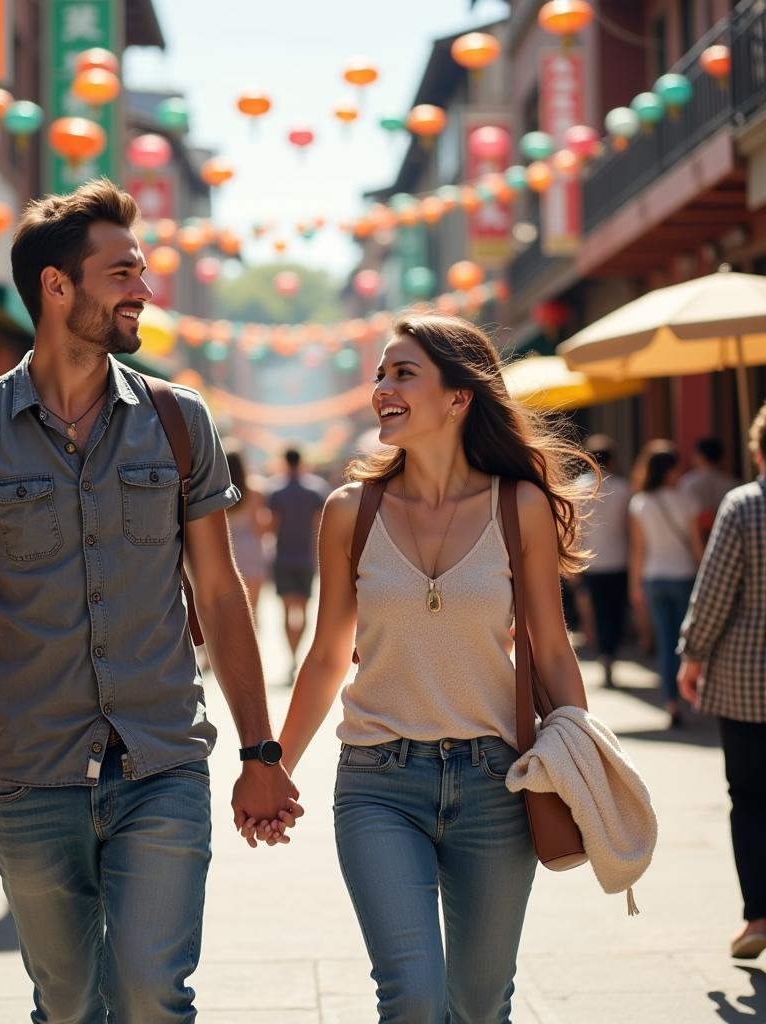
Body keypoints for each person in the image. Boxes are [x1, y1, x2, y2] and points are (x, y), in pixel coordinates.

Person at [0, 179, 301, 1023]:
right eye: (122, 272)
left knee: (154, 995)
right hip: (30, 773)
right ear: (58, 286)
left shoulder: (180, 420)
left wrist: (260, 753)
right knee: (70, 1002)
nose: (144, 291)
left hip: (162, 760)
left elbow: (222, 598)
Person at [270, 313, 593, 1022]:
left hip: (495, 784)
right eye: (381, 373)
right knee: (412, 997)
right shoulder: (349, 510)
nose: (382, 387)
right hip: (378, 784)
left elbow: (550, 647)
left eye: (402, 372)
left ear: (458, 397)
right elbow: (327, 655)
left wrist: (583, 759)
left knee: (480, 1005)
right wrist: (274, 762)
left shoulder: (522, 506)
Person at [677, 402, 766, 961]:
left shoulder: (744, 506)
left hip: (747, 683)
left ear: (759, 449)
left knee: (751, 800)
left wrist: (691, 656)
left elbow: (713, 596)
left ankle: (759, 915)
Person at [629, 440, 704, 727]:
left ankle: (671, 701)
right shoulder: (687, 500)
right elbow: (697, 546)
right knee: (688, 643)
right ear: (670, 469)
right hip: (684, 577)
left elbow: (638, 550)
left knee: (664, 642)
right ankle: (694, 696)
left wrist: (634, 585)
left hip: (653, 578)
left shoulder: (640, 502)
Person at [267, 448, 328, 679]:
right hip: (305, 558)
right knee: (302, 610)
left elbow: (271, 525)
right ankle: (297, 656)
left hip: (283, 557)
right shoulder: (316, 489)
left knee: (285, 611)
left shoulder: (276, 490)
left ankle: (292, 657)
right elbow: (321, 526)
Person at [575, 435, 631, 688]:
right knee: (616, 611)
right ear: (613, 459)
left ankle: (603, 651)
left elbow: (572, 530)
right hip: (619, 559)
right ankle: (610, 651)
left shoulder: (576, 488)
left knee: (597, 610)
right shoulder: (623, 488)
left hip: (589, 560)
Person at [224, 446, 270, 618]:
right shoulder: (254, 489)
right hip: (250, 548)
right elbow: (259, 526)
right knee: (252, 609)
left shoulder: (218, 491)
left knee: (229, 609)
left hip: (226, 547)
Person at [679, 436, 740, 543]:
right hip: (726, 535)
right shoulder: (732, 483)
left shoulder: (686, 483)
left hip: (696, 537)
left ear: (700, 456)